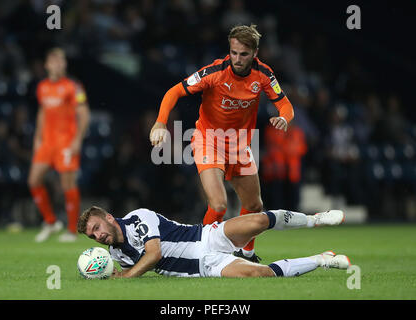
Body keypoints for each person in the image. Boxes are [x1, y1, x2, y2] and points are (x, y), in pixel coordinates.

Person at [149, 24, 294, 262]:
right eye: (234, 52)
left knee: (255, 205)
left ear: (255, 53)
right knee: (218, 205)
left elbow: (285, 104)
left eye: (243, 54)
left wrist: (283, 118)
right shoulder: (214, 72)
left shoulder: (264, 75)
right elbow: (174, 91)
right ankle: (201, 256)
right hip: (208, 140)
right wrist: (160, 122)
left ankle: (246, 253)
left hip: (239, 146)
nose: (237, 59)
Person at [77, 206, 348, 279]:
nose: (97, 236)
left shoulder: (138, 218)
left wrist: (126, 277)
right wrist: (107, 274)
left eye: (97, 228)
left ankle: (316, 219)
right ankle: (322, 260)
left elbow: (154, 254)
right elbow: (109, 273)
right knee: (259, 274)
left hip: (206, 235)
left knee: (259, 222)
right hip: (205, 267)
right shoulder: (115, 254)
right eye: (92, 236)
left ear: (109, 218)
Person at [28, 48, 90, 242]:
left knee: (67, 185)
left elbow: (84, 113)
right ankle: (51, 221)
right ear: (47, 64)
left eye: (62, 60)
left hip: (65, 142)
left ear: (65, 64)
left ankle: (72, 230)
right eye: (54, 60)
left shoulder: (73, 86)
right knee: (34, 180)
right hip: (47, 142)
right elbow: (42, 112)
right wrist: (37, 138)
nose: (58, 64)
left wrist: (78, 139)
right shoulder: (42, 87)